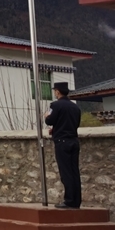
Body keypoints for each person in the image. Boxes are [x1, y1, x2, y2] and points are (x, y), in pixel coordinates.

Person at [45, 81, 82, 209]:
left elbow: (50, 120)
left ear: (57, 92)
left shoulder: (55, 105)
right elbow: (74, 123)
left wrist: (47, 116)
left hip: (62, 142)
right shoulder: (75, 107)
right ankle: (76, 200)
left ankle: (69, 200)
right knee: (74, 171)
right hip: (74, 140)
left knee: (66, 172)